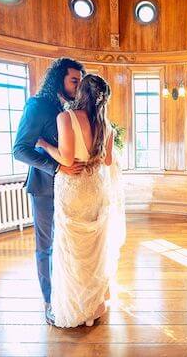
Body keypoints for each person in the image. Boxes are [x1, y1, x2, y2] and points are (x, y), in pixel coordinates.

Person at [36, 74, 126, 327]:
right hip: (96, 188)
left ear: (81, 93)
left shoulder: (66, 118)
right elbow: (107, 161)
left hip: (73, 189)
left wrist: (43, 143)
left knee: (72, 250)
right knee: (94, 249)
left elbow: (65, 159)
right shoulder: (107, 126)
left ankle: (76, 311)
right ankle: (94, 308)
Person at [13, 58, 86, 325]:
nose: (78, 86)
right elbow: (20, 149)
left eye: (80, 81)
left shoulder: (75, 108)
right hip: (45, 188)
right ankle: (48, 301)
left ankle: (70, 295)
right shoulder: (37, 106)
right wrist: (57, 168)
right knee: (46, 247)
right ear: (59, 79)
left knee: (70, 244)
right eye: (74, 81)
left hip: (74, 188)